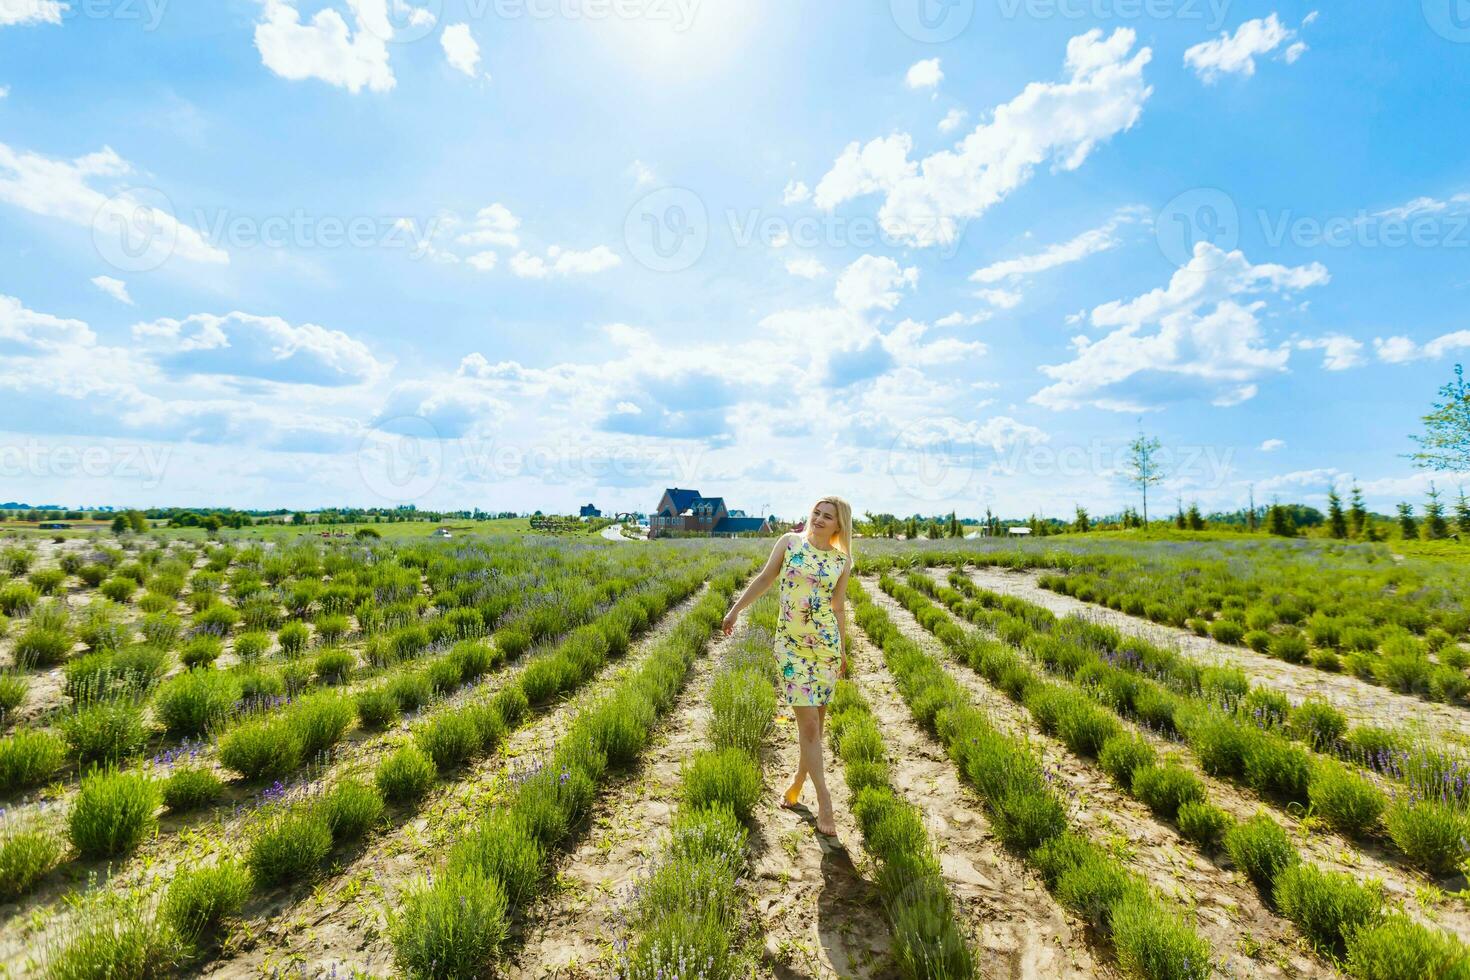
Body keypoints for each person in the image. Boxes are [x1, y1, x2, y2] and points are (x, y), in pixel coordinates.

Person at [723, 495, 853, 835]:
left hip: (825, 648)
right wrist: (735, 610)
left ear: (840, 525)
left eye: (828, 516)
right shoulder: (790, 543)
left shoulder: (842, 562)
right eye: (817, 512)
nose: (820, 519)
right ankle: (825, 802)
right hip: (792, 649)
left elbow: (837, 608)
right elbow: (766, 578)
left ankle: (797, 782)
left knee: (816, 726)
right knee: (808, 726)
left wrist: (841, 650)